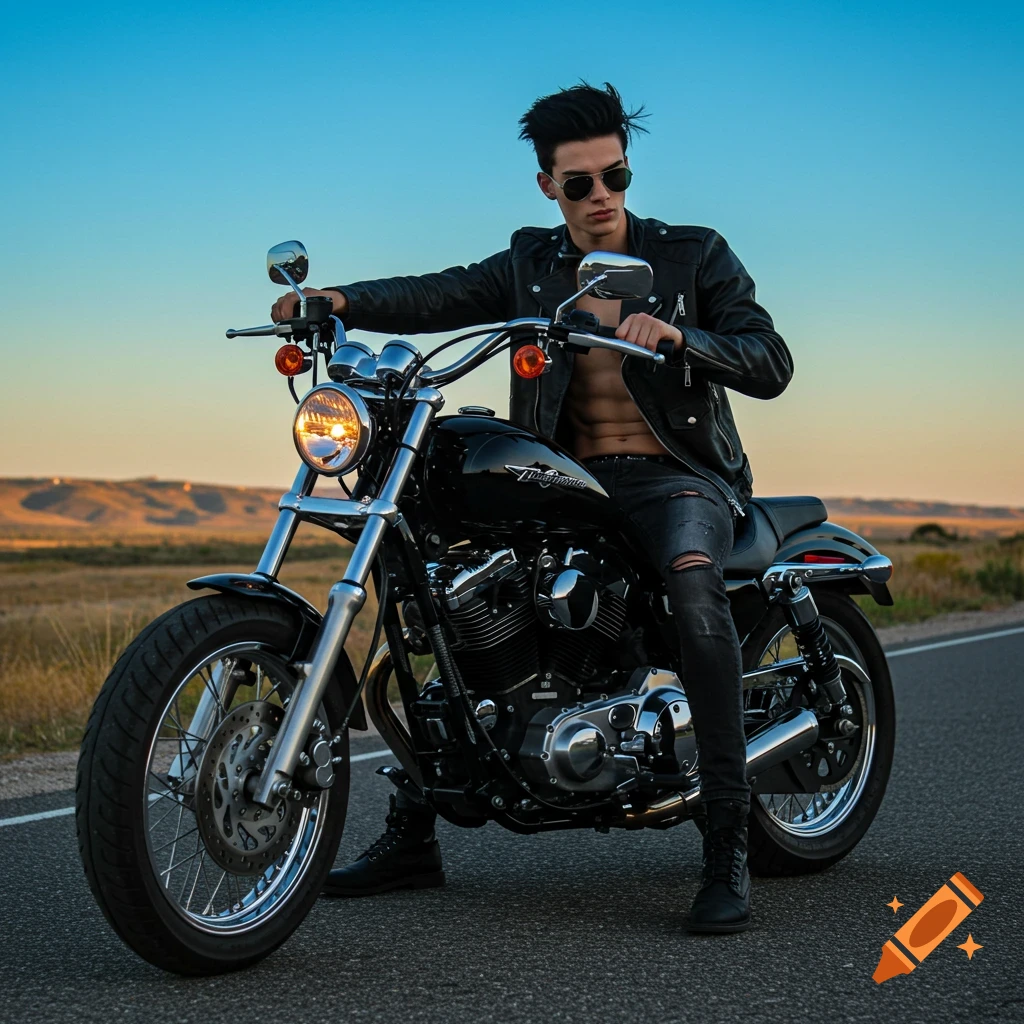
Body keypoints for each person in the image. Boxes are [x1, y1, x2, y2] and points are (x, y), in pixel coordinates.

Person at [272, 82, 793, 933]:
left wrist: (681, 338)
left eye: (615, 177)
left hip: (675, 478)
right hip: (567, 479)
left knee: (697, 595)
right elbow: (439, 294)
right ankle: (415, 830)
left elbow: (769, 357)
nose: (601, 198)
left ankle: (726, 839)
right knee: (442, 588)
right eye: (579, 183)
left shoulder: (693, 255)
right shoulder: (530, 263)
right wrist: (337, 302)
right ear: (548, 187)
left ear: (628, 170)